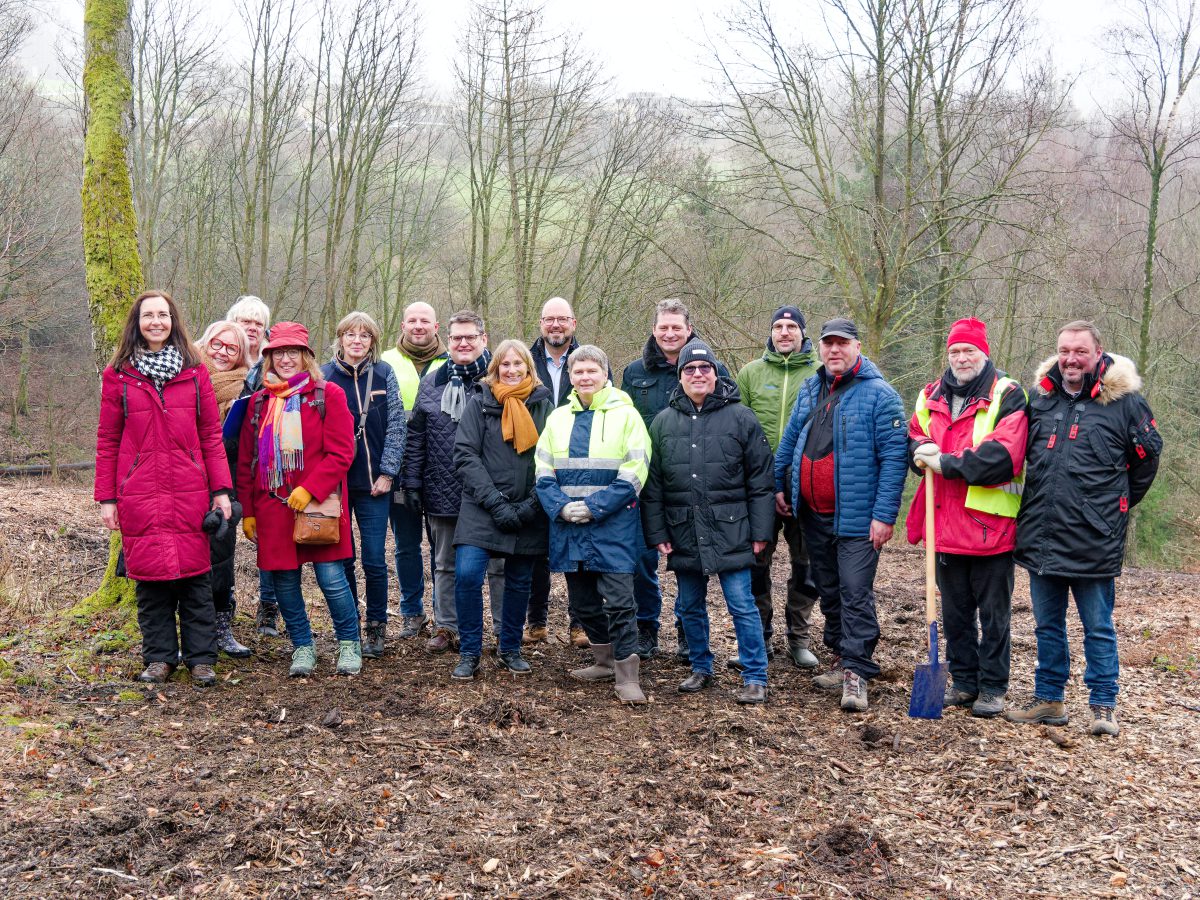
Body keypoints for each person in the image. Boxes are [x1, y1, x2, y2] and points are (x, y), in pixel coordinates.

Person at [1005, 321, 1161, 737]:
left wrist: (1110, 509)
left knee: (1098, 627)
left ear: (1098, 353)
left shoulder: (1127, 404)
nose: (1071, 359)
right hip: (1042, 534)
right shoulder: (1041, 400)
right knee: (1046, 625)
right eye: (1064, 351)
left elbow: (1147, 460)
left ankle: (1103, 704)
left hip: (1095, 538)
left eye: (1080, 351)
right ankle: (1049, 699)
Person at [94, 290, 233, 687]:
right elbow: (107, 439)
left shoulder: (195, 371)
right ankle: (159, 659)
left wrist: (221, 490)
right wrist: (107, 498)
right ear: (137, 323)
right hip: (139, 492)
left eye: (163, 315)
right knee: (151, 583)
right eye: (148, 315)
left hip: (190, 490)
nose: (156, 321)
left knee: (195, 580)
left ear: (173, 321)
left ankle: (201, 660)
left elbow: (211, 435)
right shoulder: (118, 374)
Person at [775, 318, 908, 713]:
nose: (834, 350)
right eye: (828, 343)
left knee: (854, 592)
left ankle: (857, 671)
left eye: (842, 343)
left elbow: (894, 460)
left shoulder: (881, 396)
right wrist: (779, 483)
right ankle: (840, 656)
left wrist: (884, 516)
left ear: (857, 347)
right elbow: (790, 439)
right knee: (828, 589)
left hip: (858, 518)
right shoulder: (810, 388)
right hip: (813, 514)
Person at [906, 318, 1028, 719]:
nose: (961, 358)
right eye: (955, 351)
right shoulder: (930, 395)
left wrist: (944, 462)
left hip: (991, 529)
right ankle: (963, 681)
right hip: (943, 525)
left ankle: (992, 687)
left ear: (984, 353)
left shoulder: (1007, 394)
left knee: (994, 617)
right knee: (955, 614)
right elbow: (914, 434)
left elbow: (1004, 455)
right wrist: (920, 449)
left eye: (969, 351)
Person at [641, 340, 775, 704]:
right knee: (689, 605)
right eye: (690, 369)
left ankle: (755, 675)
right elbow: (653, 486)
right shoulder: (663, 423)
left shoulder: (741, 418)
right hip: (683, 528)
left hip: (733, 528)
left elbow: (761, 480)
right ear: (680, 376)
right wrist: (658, 531)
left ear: (716, 374)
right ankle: (701, 667)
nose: (698, 374)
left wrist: (761, 531)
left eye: (705, 368)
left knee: (741, 604)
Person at [236, 322, 362, 677]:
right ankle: (303, 646)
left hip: (318, 505)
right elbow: (247, 461)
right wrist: (249, 511)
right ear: (269, 358)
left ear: (306, 356)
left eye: (293, 352)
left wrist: (311, 488)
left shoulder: (327, 394)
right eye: (279, 353)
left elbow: (342, 452)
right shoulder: (259, 402)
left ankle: (349, 643)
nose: (286, 359)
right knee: (284, 582)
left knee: (332, 579)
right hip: (272, 507)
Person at [536, 345, 651, 705]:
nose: (585, 377)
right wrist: (561, 508)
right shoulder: (557, 418)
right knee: (583, 603)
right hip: (569, 526)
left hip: (613, 525)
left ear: (605, 374)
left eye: (592, 371)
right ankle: (603, 662)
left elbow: (635, 473)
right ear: (570, 376)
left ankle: (627, 675)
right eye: (578, 371)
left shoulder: (627, 415)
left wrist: (593, 507)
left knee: (619, 602)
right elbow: (542, 471)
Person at [621, 298, 729, 661]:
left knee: (690, 560)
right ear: (654, 330)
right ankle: (646, 626)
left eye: (676, 327)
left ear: (689, 330)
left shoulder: (711, 368)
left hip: (693, 480)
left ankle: (688, 630)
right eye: (664, 327)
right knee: (641, 558)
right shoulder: (634, 373)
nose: (670, 333)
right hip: (646, 479)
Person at [450, 340, 555, 679]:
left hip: (528, 509)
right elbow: (465, 455)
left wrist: (529, 506)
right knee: (467, 575)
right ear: (495, 369)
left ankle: (510, 648)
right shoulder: (479, 402)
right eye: (505, 364)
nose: (511, 370)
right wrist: (496, 503)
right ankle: (469, 652)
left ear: (529, 368)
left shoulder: (544, 406)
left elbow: (553, 459)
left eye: (517, 364)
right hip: (482, 506)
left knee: (519, 581)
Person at [400, 310, 503, 654]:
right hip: (443, 486)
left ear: (483, 339)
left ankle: (504, 631)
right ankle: (447, 626)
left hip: (493, 490)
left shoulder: (499, 378)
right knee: (445, 564)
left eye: (470, 337)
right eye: (457, 337)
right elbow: (417, 436)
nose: (463, 343)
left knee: (499, 565)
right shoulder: (433, 382)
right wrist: (412, 483)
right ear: (448, 340)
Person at [733, 305, 821, 671]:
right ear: (770, 333)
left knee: (807, 564)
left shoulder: (820, 373)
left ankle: (799, 637)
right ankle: (760, 637)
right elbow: (737, 428)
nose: (784, 332)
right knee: (756, 562)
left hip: (807, 485)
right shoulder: (750, 373)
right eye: (778, 326)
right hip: (758, 485)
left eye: (791, 327)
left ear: (802, 332)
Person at [321, 312, 406, 659]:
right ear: (340, 339)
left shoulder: (384, 373)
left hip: (375, 486)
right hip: (337, 486)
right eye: (351, 334)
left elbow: (397, 425)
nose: (357, 341)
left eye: (365, 335)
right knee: (343, 559)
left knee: (374, 560)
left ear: (373, 341)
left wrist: (388, 472)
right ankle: (350, 628)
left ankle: (376, 627)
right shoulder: (323, 377)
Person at [525, 296, 601, 647]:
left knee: (578, 546)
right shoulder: (526, 361)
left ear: (573, 322)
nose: (555, 325)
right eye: (549, 319)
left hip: (579, 466)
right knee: (535, 547)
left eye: (562, 319)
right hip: (534, 460)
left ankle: (579, 623)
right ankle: (536, 621)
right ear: (541, 323)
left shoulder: (589, 360)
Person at [381, 301, 449, 639]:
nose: (418, 325)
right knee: (406, 545)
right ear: (403, 325)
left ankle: (443, 615)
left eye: (425, 320)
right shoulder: (385, 362)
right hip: (398, 469)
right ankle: (411, 611)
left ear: (436, 327)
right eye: (412, 320)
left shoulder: (452, 363)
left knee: (441, 548)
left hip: (440, 471)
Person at [196, 320, 253, 659]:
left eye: (232, 348)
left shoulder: (245, 389)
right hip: (186, 481)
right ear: (206, 342)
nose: (222, 352)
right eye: (217, 343)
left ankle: (221, 627)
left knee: (222, 556)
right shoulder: (186, 376)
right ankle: (189, 630)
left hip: (225, 481)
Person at [225, 294, 278, 636]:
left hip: (266, 461)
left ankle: (269, 606)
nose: (253, 328)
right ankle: (224, 600)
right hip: (222, 460)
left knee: (269, 534)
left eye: (259, 323)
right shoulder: (219, 355)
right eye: (246, 321)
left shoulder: (275, 360)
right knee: (222, 534)